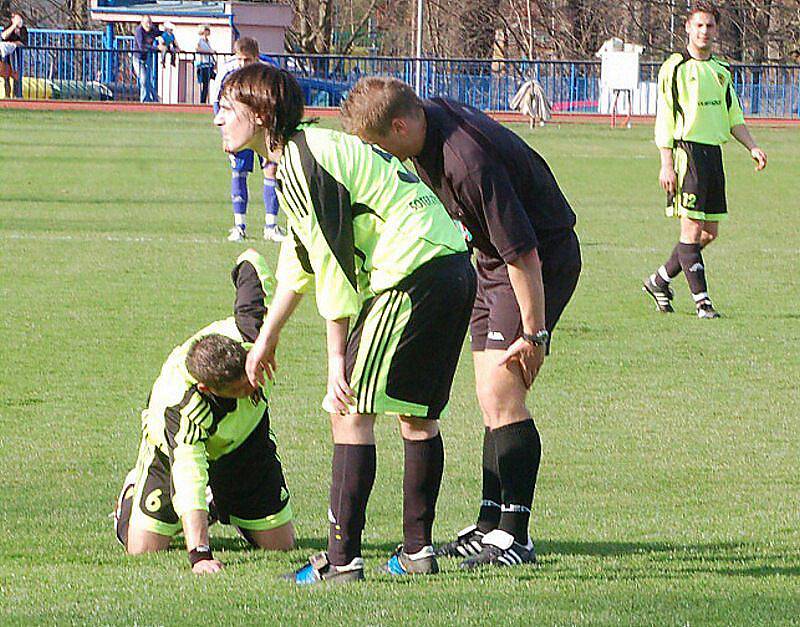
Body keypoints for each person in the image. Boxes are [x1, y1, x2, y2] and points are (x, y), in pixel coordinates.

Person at [215, 63, 476, 584]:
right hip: (449, 264)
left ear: (261, 115)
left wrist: (336, 361)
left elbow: (333, 268)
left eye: (226, 108)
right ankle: (418, 553)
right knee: (417, 416)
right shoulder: (310, 149)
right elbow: (301, 254)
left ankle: (341, 562)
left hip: (412, 272)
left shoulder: (300, 160)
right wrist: (268, 335)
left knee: (349, 407)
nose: (218, 120)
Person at [341, 77, 581, 569]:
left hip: (536, 261)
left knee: (505, 393)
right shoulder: (423, 128)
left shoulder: (466, 161)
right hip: (488, 262)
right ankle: (490, 523)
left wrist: (534, 334)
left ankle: (516, 535)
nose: (377, 155)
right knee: (487, 393)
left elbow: (525, 252)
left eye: (378, 143)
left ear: (401, 126)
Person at [113, 249, 295, 574]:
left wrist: (243, 262)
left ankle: (227, 503)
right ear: (207, 390)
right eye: (240, 390)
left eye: (250, 378)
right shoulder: (183, 409)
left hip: (246, 446)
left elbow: (251, 263)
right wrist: (200, 553)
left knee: (281, 544)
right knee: (142, 549)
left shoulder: (251, 333)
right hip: (174, 456)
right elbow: (189, 475)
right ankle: (133, 492)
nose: (252, 388)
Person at [643, 2, 767, 318]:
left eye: (710, 26)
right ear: (687, 27)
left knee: (709, 233)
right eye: (699, 25)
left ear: (716, 29)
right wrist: (666, 162)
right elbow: (665, 118)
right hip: (688, 153)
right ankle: (703, 303)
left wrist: (752, 146)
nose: (704, 31)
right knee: (692, 230)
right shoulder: (675, 67)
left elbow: (733, 117)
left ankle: (659, 280)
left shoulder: (721, 71)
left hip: (714, 155)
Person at [211, 37, 285, 243]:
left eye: (248, 60)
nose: (244, 65)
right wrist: (226, 130)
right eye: (240, 60)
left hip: (265, 129)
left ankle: (271, 226)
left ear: (257, 57)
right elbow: (216, 100)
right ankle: (239, 226)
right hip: (239, 129)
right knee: (239, 172)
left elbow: (280, 99)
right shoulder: (227, 71)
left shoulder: (269, 69)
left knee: (271, 170)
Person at [134, 15, 160, 103]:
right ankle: (145, 101)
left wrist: (168, 33)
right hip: (138, 58)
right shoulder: (139, 31)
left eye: (150, 23)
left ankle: (155, 98)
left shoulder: (152, 30)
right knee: (144, 79)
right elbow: (141, 46)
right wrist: (156, 48)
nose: (148, 25)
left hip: (148, 58)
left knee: (148, 80)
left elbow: (161, 33)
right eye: (146, 23)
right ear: (142, 23)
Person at [1, 12, 27, 98]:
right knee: (6, 75)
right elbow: (4, 36)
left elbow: (23, 42)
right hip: (6, 57)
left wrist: (13, 43)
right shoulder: (8, 26)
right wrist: (13, 26)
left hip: (15, 56)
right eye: (16, 19)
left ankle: (17, 95)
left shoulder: (23, 30)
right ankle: (7, 95)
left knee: (16, 75)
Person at [194, 24, 216, 104]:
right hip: (203, 65)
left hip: (209, 64)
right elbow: (197, 49)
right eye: (206, 30)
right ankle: (202, 102)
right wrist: (209, 52)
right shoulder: (199, 40)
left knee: (217, 79)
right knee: (205, 85)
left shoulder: (208, 41)